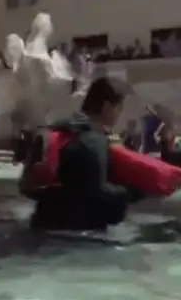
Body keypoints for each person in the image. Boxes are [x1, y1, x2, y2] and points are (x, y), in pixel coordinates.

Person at [20, 75, 145, 231]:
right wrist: (136, 192)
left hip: (41, 225)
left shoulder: (52, 131)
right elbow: (100, 194)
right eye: (119, 108)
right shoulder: (95, 140)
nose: (119, 115)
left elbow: (25, 186)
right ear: (107, 106)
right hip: (79, 236)